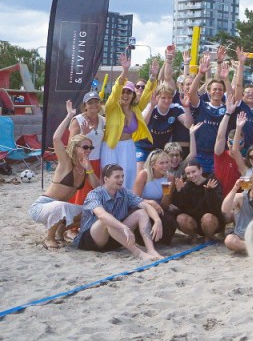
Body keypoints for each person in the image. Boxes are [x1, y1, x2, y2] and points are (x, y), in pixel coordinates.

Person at [30, 101, 93, 250]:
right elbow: (56, 139)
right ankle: (49, 238)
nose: (88, 150)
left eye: (90, 147)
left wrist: (89, 169)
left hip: (61, 208)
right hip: (42, 206)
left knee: (91, 211)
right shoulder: (66, 162)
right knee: (61, 205)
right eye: (85, 147)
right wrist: (69, 116)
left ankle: (60, 231)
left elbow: (97, 186)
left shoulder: (83, 167)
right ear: (75, 148)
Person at [72, 164, 163, 261]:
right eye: (117, 177)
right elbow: (102, 215)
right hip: (90, 241)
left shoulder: (124, 192)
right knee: (107, 219)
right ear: (106, 179)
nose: (121, 180)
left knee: (141, 212)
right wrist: (124, 227)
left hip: (114, 238)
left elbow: (145, 205)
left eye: (122, 176)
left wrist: (157, 221)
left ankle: (151, 250)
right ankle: (139, 253)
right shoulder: (94, 194)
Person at [101, 53, 155, 191]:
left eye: (129, 92)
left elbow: (147, 93)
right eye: (123, 92)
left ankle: (125, 208)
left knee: (128, 177)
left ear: (133, 95)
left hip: (129, 146)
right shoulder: (111, 107)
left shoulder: (136, 108)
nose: (125, 95)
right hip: (111, 147)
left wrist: (153, 76)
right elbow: (115, 90)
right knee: (111, 180)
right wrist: (124, 71)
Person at [171, 159, 225, 241]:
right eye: (188, 173)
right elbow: (182, 207)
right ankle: (193, 236)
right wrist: (179, 191)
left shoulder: (212, 182)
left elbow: (217, 207)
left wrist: (210, 191)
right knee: (180, 218)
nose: (191, 175)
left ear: (200, 170)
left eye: (194, 171)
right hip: (195, 222)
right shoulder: (186, 185)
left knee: (207, 218)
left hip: (212, 222)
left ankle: (209, 237)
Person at [132, 148, 177, 245]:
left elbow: (165, 205)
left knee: (170, 222)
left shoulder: (170, 177)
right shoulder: (144, 174)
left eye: (167, 162)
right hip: (142, 206)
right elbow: (134, 198)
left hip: (159, 208)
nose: (165, 166)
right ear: (153, 164)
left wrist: (167, 191)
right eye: (161, 163)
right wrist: (150, 202)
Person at [68, 90, 105, 205]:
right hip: (82, 162)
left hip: (97, 161)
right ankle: (76, 221)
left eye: (96, 102)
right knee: (81, 195)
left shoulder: (103, 120)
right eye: (90, 102)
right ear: (85, 106)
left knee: (94, 194)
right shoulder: (78, 120)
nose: (93, 105)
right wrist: (83, 134)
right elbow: (71, 144)